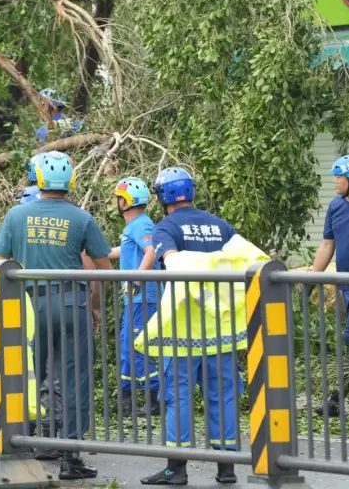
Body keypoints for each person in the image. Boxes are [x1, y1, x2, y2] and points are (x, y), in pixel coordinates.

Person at [0, 151, 112, 481]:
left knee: (28, 375)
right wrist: (96, 307)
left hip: (30, 307)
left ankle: (25, 440)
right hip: (73, 304)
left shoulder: (16, 216)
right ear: (71, 181)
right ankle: (71, 457)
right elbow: (104, 269)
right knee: (74, 380)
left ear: (37, 178)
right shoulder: (82, 218)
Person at [142, 167, 239, 487]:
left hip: (182, 328)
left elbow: (172, 261)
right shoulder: (220, 225)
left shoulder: (165, 228)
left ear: (164, 197)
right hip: (220, 327)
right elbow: (245, 261)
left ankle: (176, 468)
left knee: (178, 395)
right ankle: (227, 468)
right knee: (222, 395)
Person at [311, 154, 349, 417]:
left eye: (339, 177)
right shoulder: (336, 206)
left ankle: (336, 399)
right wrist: (312, 277)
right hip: (345, 287)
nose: (335, 182)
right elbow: (328, 244)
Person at [113, 177, 162, 415]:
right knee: (127, 346)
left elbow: (150, 252)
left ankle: (155, 398)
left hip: (143, 297)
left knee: (137, 347)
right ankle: (126, 400)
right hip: (135, 298)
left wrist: (136, 279)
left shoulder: (142, 224)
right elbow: (125, 250)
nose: (117, 202)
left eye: (119, 198)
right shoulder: (134, 226)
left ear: (126, 201)